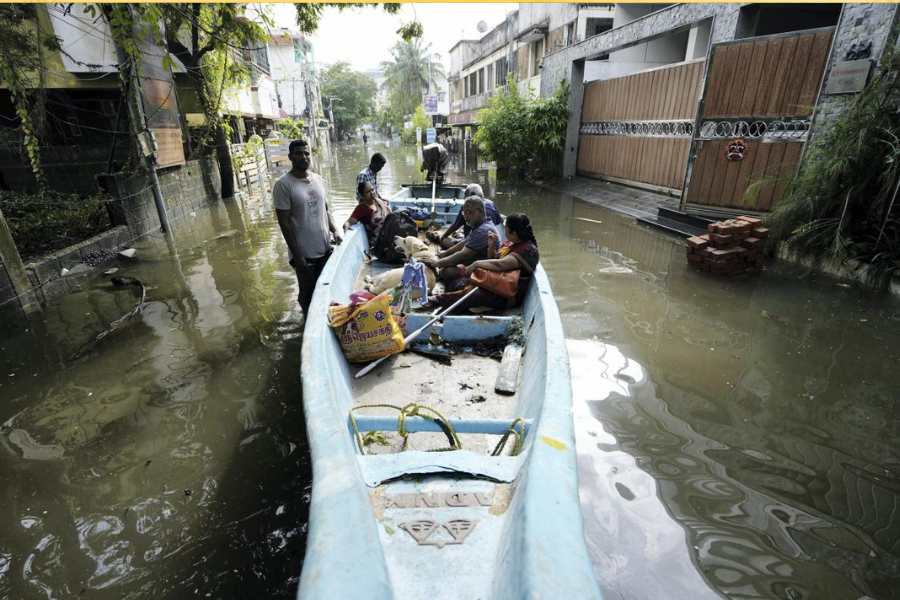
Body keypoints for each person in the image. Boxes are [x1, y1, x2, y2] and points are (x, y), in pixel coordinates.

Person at [274, 139, 342, 315]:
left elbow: (325, 210)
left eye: (306, 153)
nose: (303, 157)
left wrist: (335, 231)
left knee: (326, 292)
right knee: (307, 294)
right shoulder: (283, 185)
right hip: (304, 255)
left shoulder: (318, 179)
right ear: (290, 157)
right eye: (298, 154)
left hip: (325, 248)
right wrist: (298, 257)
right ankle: (307, 328)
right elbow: (285, 223)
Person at [450, 213, 540, 314]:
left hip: (507, 294)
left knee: (472, 295)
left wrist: (476, 263)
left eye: (506, 228)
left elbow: (500, 265)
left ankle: (438, 301)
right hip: (495, 282)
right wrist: (491, 246)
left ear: (514, 233)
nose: (504, 230)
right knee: (458, 283)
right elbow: (493, 260)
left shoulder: (528, 250)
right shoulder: (511, 242)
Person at [422, 196, 499, 288]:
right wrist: (443, 254)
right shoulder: (480, 225)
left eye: (469, 212)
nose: (465, 217)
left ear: (479, 211)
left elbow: (462, 255)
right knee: (443, 257)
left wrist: (437, 263)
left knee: (446, 271)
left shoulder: (483, 230)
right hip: (472, 262)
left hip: (482, 270)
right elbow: (463, 243)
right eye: (464, 213)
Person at [439, 183, 502, 248]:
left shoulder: (468, 205)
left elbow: (456, 225)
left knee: (445, 241)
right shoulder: (491, 204)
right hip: (488, 242)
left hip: (474, 243)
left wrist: (443, 237)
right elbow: (498, 222)